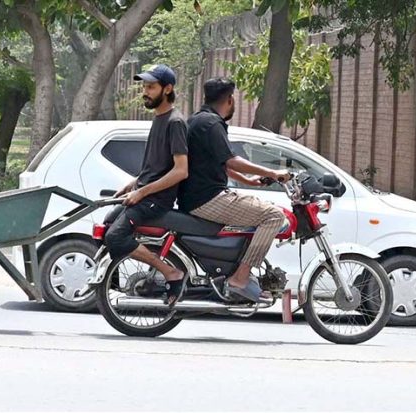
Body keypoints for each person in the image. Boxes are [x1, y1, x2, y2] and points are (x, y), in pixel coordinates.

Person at [178, 77, 290, 303]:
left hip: (198, 197)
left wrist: (248, 181)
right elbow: (230, 160)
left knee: (259, 209)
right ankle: (241, 277)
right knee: (274, 216)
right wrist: (272, 173)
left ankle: (236, 269)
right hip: (207, 199)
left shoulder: (198, 120)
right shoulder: (212, 124)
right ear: (230, 100)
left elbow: (218, 163)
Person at [103, 64, 189, 306]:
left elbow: (181, 170)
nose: (145, 92)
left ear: (167, 88)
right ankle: (111, 281)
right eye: (144, 87)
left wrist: (142, 191)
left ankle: (171, 272)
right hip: (144, 194)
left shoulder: (175, 122)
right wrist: (133, 184)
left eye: (151, 87)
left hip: (155, 201)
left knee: (116, 237)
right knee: (108, 222)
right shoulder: (159, 119)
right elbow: (155, 166)